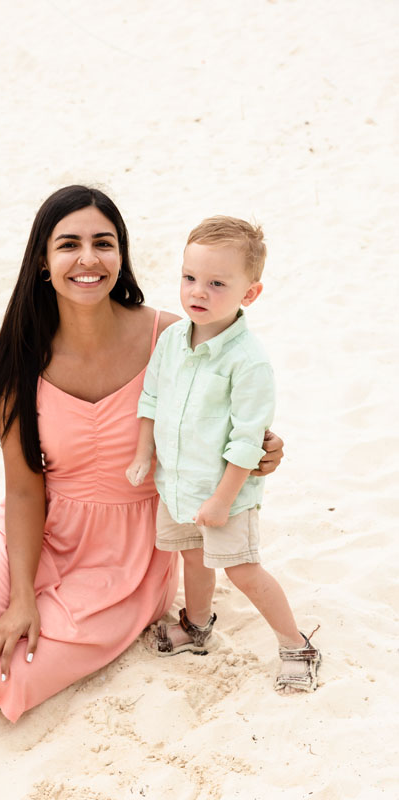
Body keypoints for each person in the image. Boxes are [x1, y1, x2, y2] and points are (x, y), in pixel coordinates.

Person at [0, 187, 285, 722]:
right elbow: (23, 489)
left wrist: (266, 450)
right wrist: (22, 597)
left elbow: (230, 416)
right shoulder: (19, 358)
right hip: (42, 529)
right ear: (43, 260)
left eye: (103, 243)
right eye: (69, 245)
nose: (88, 258)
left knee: (11, 675)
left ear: (121, 255)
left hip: (130, 553)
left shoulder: (171, 337)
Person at [126, 215, 320, 692]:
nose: (198, 291)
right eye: (189, 277)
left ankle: (296, 644)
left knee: (243, 569)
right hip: (177, 484)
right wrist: (142, 453)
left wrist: (222, 499)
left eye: (217, 283)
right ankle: (197, 627)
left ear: (249, 294)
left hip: (225, 495)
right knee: (192, 559)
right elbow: (151, 398)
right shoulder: (172, 340)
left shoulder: (248, 361)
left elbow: (247, 441)